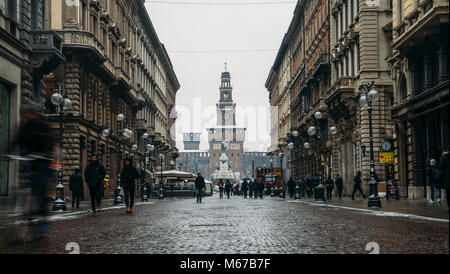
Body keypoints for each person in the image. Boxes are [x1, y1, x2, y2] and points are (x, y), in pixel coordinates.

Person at [11, 111, 53, 233]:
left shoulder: (44, 127)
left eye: (31, 114)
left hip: (42, 160)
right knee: (23, 182)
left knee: (40, 187)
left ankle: (44, 217)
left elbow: (49, 143)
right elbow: (17, 140)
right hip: (28, 158)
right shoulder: (25, 127)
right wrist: (7, 153)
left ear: (36, 115)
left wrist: (46, 154)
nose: (28, 116)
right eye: (27, 114)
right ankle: (21, 204)